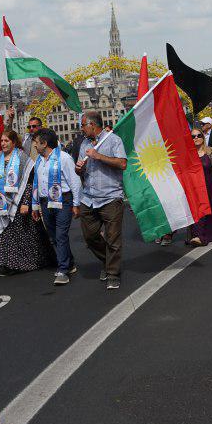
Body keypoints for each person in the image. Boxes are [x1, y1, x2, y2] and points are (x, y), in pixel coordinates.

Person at [0, 129, 52, 276]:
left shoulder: (23, 159)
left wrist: (25, 202)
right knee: (2, 234)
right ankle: (5, 264)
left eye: (6, 141)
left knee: (19, 235)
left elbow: (29, 183)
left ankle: (22, 263)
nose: (3, 144)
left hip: (17, 203)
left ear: (14, 142)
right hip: (0, 203)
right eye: (2, 141)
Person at [76, 113, 128, 291]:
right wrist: (79, 169)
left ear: (92, 125)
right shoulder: (84, 143)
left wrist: (99, 156)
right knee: (90, 236)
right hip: (88, 197)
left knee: (113, 239)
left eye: (83, 125)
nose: (81, 128)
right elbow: (80, 170)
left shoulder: (113, 140)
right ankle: (107, 260)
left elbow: (122, 163)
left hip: (110, 196)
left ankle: (113, 273)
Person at [30, 127, 82, 285]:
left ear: (44, 143)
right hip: (46, 202)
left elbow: (75, 181)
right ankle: (69, 262)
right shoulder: (38, 160)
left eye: (36, 143)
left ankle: (63, 269)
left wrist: (76, 203)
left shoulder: (64, 158)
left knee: (61, 235)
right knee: (54, 236)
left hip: (63, 201)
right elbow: (36, 183)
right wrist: (35, 205)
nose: (34, 146)